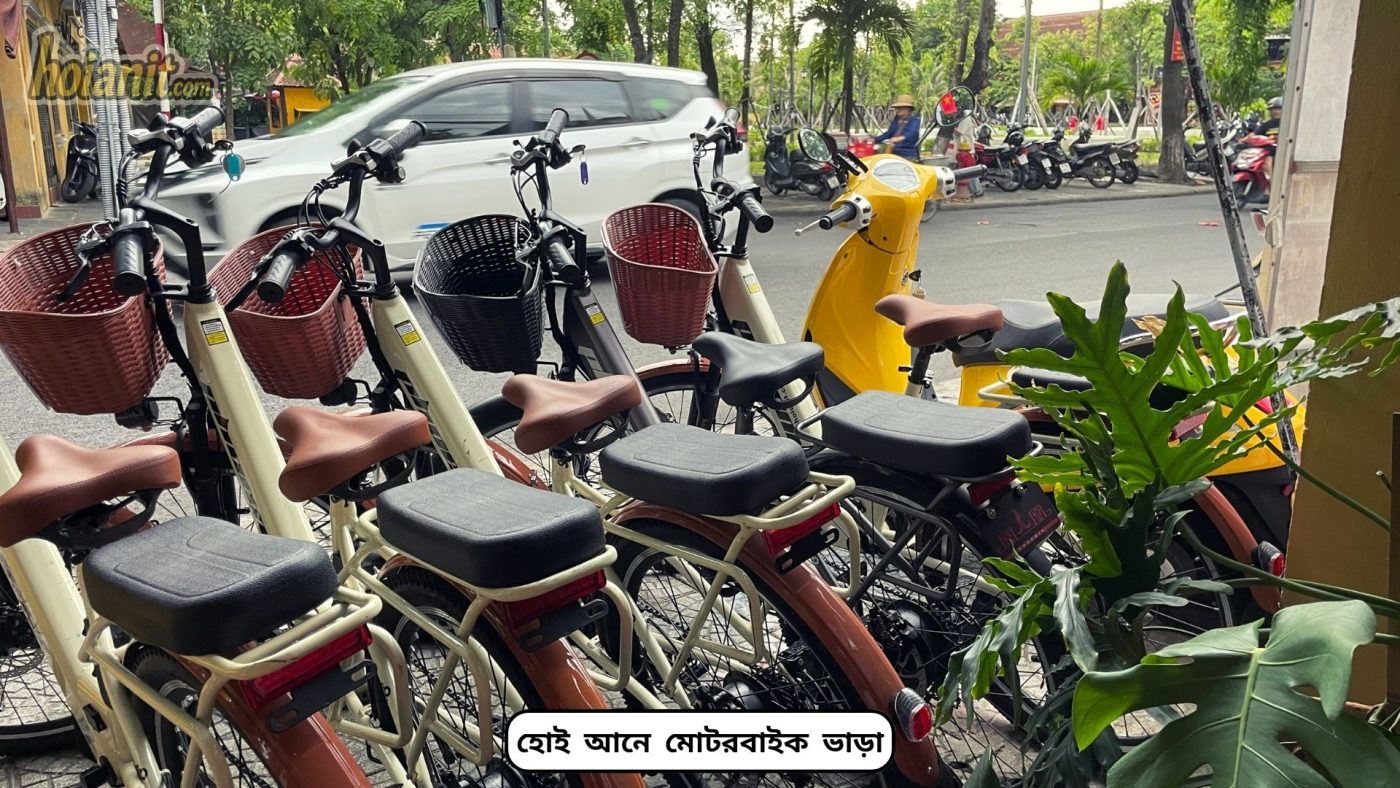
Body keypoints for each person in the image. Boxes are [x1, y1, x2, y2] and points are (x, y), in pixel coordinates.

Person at [874, 95, 922, 161]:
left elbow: (912, 133)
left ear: (908, 109)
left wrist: (898, 139)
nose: (897, 110)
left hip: (908, 155)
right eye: (897, 108)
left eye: (901, 108)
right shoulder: (896, 120)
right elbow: (888, 134)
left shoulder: (915, 121)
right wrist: (874, 140)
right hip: (894, 153)